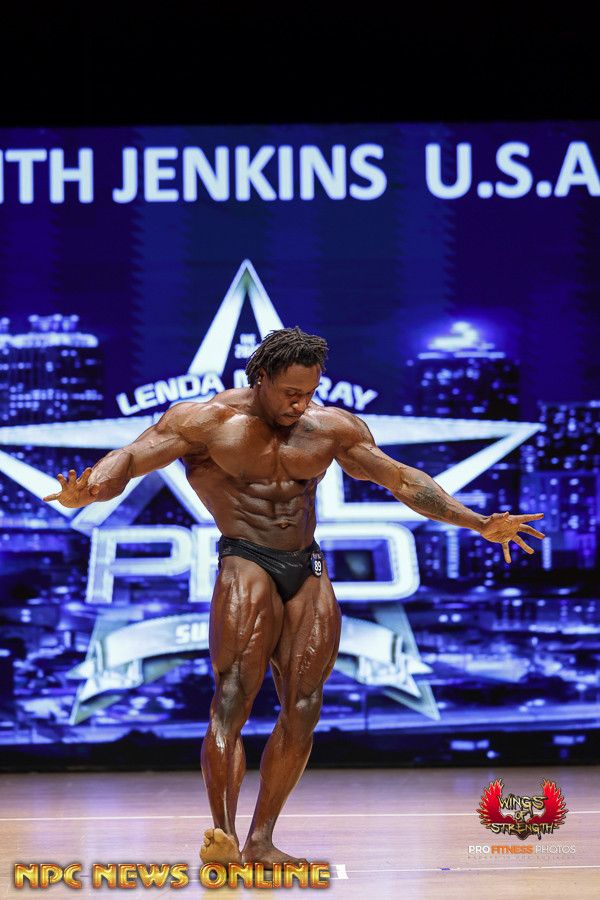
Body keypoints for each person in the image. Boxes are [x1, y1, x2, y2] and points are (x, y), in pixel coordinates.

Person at [44, 326, 545, 867]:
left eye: (309, 393)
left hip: (306, 563)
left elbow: (401, 480)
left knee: (304, 707)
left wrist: (477, 522)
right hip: (246, 557)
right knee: (232, 698)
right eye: (290, 393)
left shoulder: (331, 428)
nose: (300, 404)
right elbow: (132, 456)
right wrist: (91, 489)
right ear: (261, 377)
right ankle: (223, 835)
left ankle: (261, 839)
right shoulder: (204, 422)